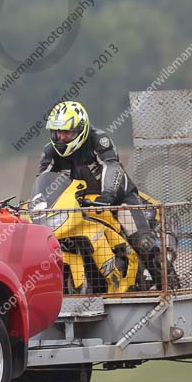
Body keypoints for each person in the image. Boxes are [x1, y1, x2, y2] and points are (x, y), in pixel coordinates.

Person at [38, 101, 157, 270]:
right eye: (58, 132)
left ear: (80, 129)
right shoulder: (50, 151)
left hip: (117, 200)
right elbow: (43, 180)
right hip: (80, 207)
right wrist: (38, 202)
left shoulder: (99, 140)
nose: (61, 137)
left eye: (66, 132)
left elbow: (111, 165)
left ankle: (168, 286)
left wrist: (107, 194)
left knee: (143, 242)